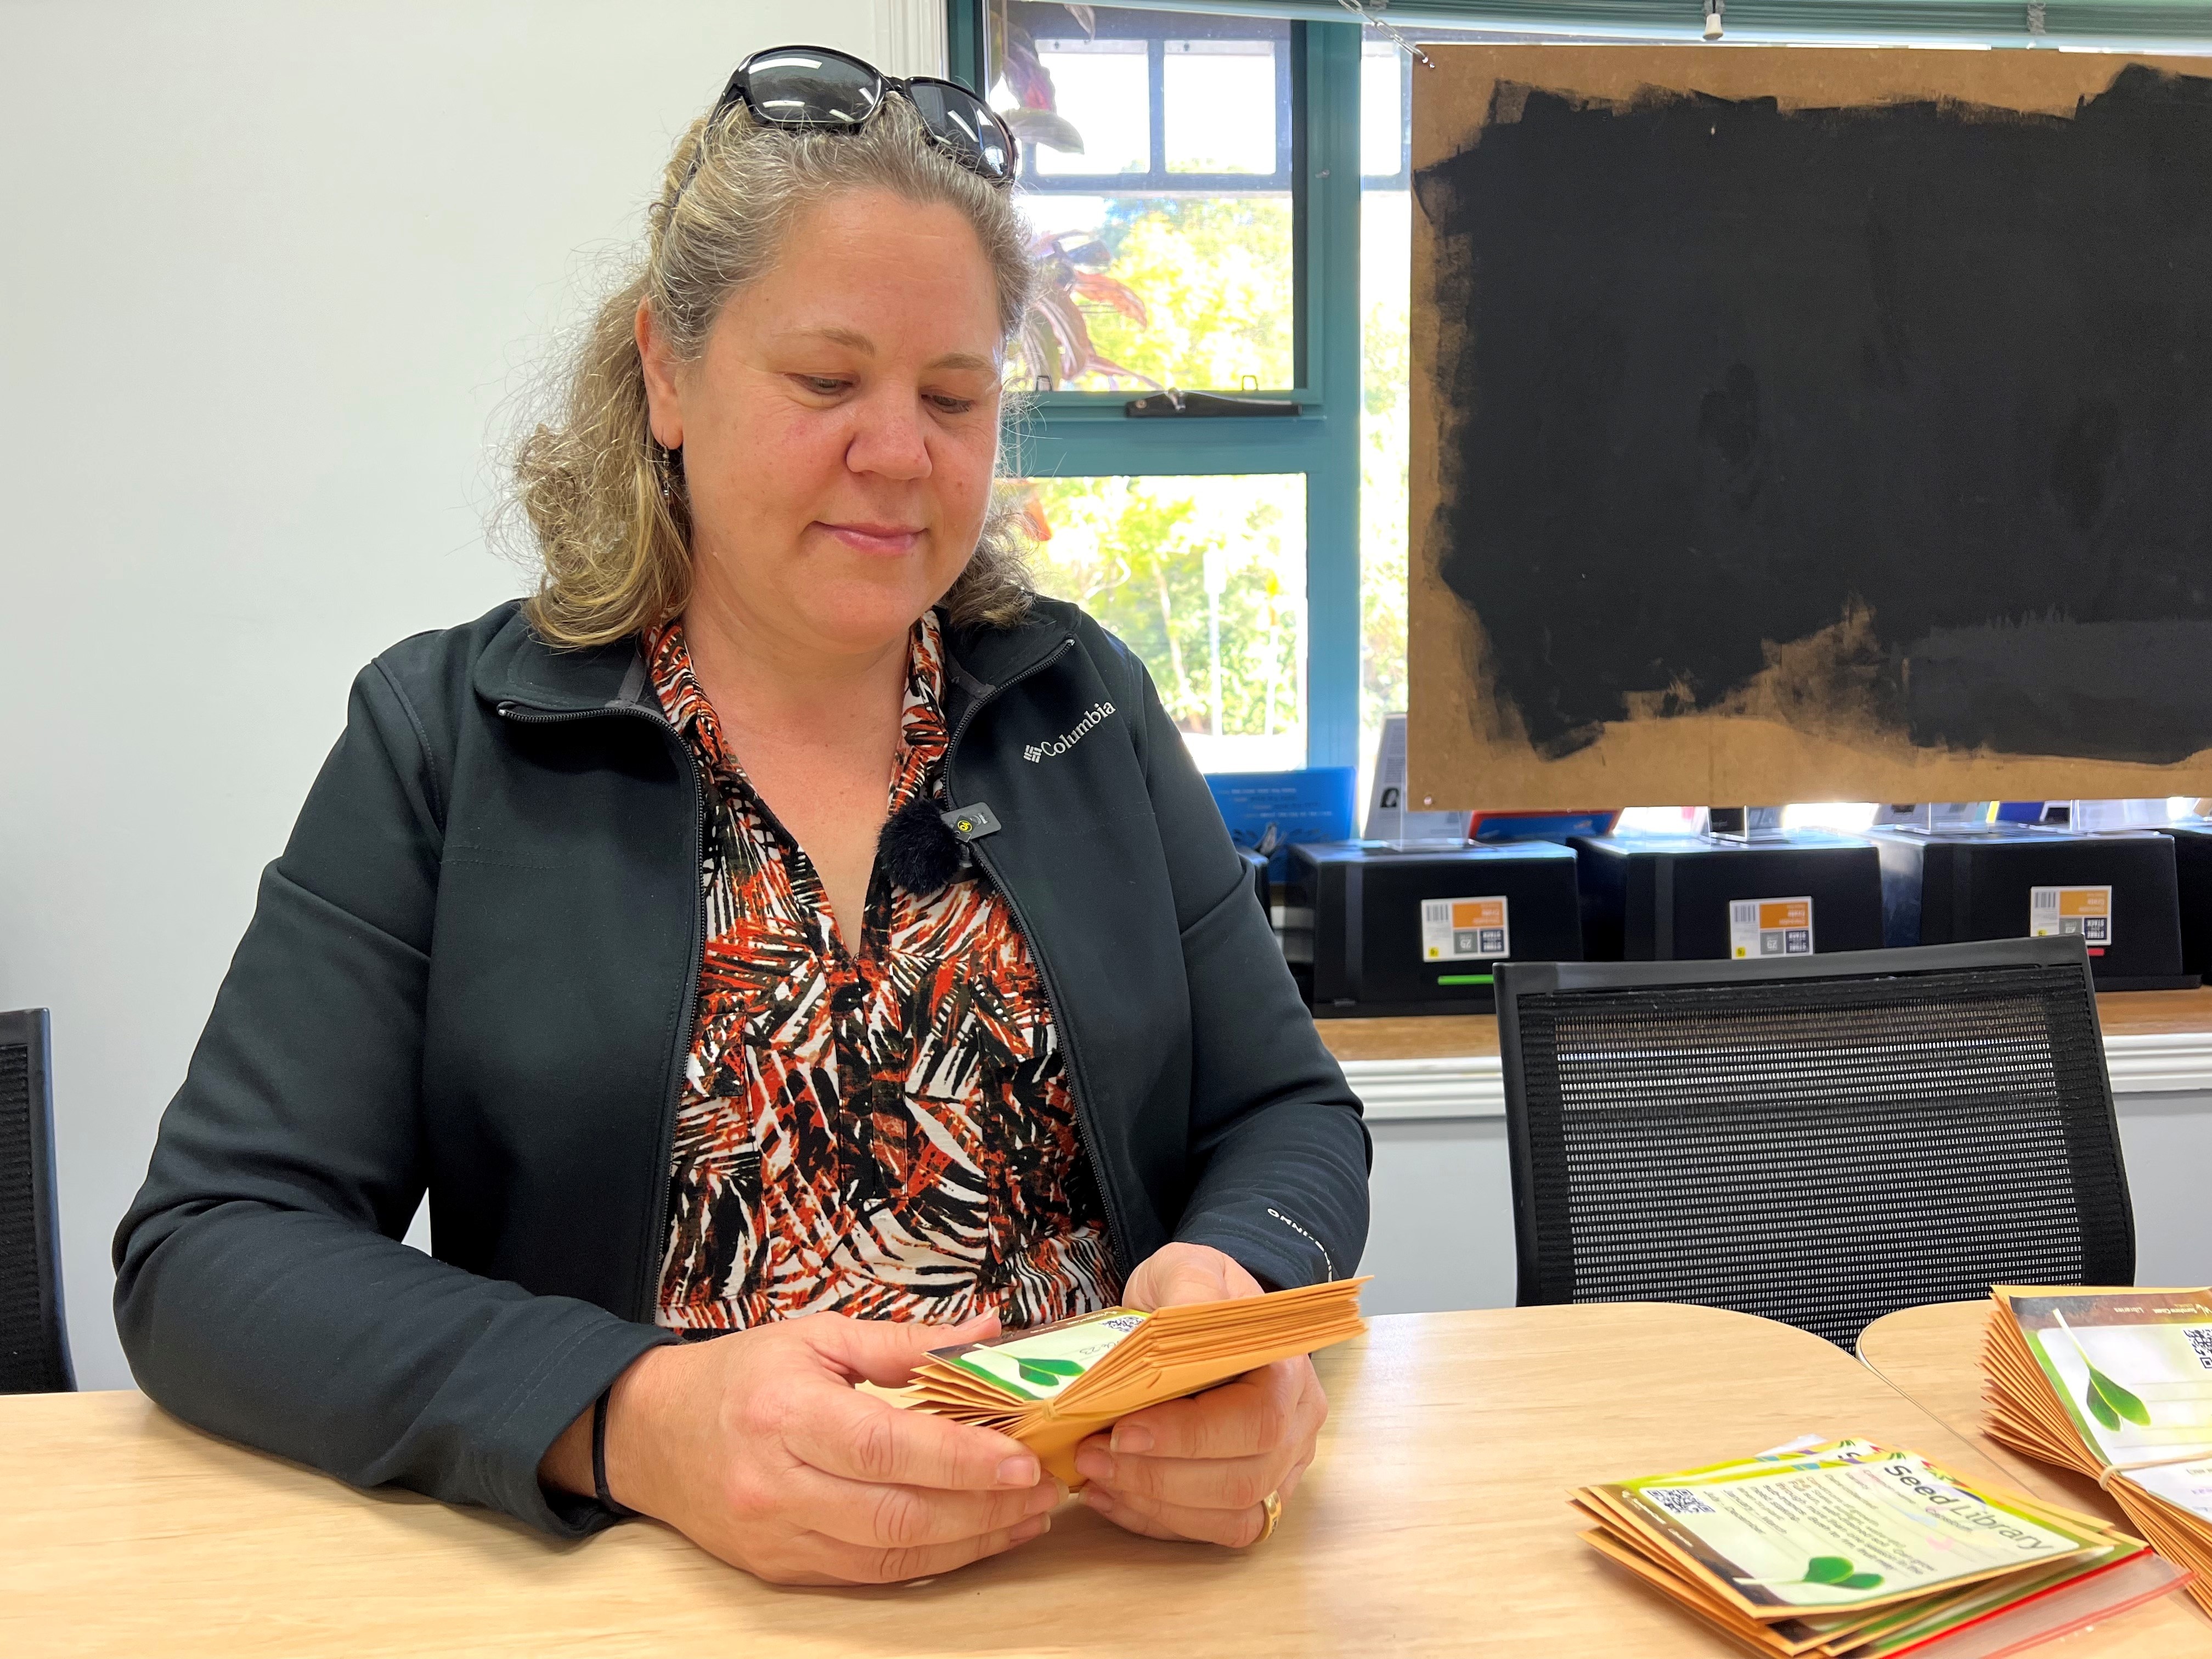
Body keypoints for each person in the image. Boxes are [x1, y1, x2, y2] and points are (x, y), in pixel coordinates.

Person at [112, 46, 1369, 1588]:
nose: (899, 452)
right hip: (663, 1596)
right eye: (827, 381)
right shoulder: (445, 738)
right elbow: (212, 1252)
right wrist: (630, 1418)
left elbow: (1287, 1114)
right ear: (665, 374)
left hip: (1091, 1578)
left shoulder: (1081, 704)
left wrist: (1231, 1294)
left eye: (954, 395)